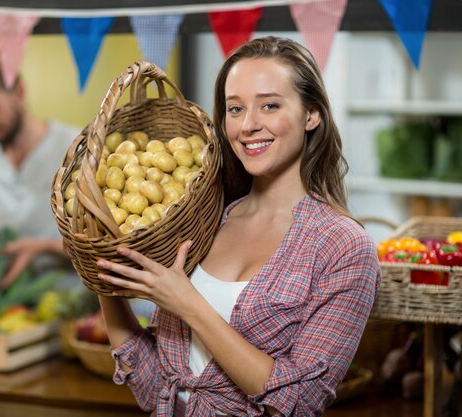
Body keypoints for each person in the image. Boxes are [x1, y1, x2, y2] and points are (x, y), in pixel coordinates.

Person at [94, 36, 381, 417]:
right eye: (235, 108)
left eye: (270, 105)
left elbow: (298, 403)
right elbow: (155, 389)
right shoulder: (204, 218)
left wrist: (189, 304)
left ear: (311, 114)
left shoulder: (343, 247)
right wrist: (102, 271)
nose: (248, 125)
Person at [0, 52, 81, 289]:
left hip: (76, 310)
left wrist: (43, 248)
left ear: (19, 93)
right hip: (7, 313)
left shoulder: (75, 148)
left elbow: (108, 246)